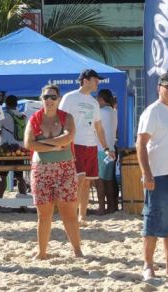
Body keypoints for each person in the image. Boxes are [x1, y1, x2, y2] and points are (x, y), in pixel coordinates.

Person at [136, 72, 168, 280]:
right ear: (159, 88)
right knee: (153, 222)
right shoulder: (153, 111)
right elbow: (140, 143)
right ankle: (147, 265)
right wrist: (146, 174)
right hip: (158, 176)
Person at [24, 84, 82, 259]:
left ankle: (77, 250)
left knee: (69, 212)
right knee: (44, 214)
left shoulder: (67, 117)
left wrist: (43, 144)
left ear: (59, 99)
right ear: (41, 99)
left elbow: (68, 137)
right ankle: (42, 252)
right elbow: (28, 144)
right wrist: (55, 145)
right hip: (41, 170)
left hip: (65, 168)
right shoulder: (34, 119)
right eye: (46, 97)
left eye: (53, 97)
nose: (49, 100)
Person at [59, 69, 111, 224]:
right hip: (75, 143)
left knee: (88, 181)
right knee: (78, 180)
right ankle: (72, 215)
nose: (98, 83)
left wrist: (107, 147)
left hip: (91, 144)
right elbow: (60, 120)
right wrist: (63, 142)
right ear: (86, 80)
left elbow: (99, 127)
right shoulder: (70, 97)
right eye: (96, 80)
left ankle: (82, 216)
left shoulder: (94, 102)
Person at [0, 95, 28, 198]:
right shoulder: (23, 116)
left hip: (6, 150)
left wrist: (0, 130)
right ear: (16, 104)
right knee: (20, 177)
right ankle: (23, 202)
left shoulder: (3, 115)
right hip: (20, 150)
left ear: (6, 104)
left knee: (2, 176)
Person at [96, 89, 118, 214]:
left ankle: (101, 208)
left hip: (101, 149)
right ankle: (111, 206)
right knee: (109, 179)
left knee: (100, 180)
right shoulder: (114, 112)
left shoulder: (99, 112)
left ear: (100, 99)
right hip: (111, 149)